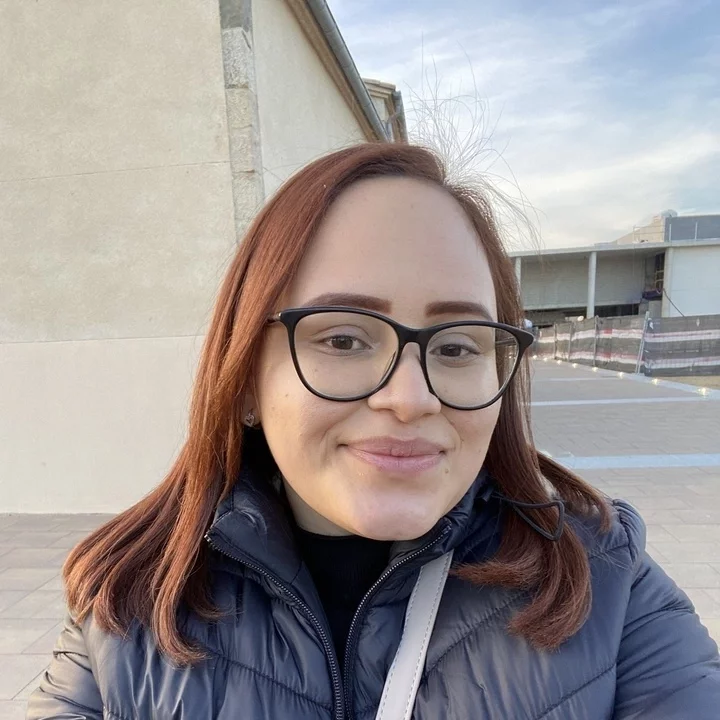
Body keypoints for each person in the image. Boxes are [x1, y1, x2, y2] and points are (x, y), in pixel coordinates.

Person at [27, 143, 719, 720]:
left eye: (457, 346)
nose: (411, 398)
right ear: (244, 382)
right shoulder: (127, 611)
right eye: (344, 339)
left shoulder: (606, 586)